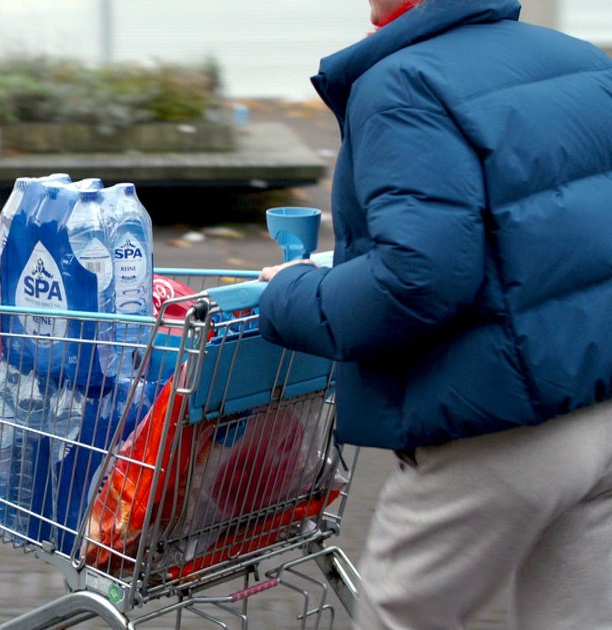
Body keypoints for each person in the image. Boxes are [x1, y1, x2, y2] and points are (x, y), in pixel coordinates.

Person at [256, 0, 612, 628]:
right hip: (598, 405)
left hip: (496, 428)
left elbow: (417, 280)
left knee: (401, 616)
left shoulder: (401, 83)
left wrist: (289, 293)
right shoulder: (581, 59)